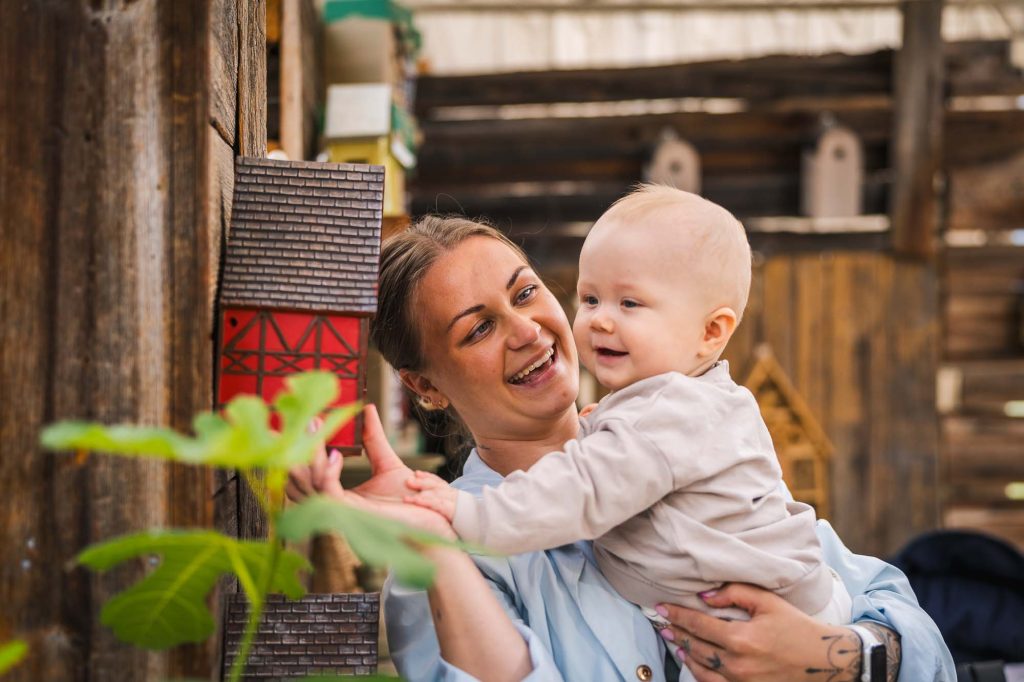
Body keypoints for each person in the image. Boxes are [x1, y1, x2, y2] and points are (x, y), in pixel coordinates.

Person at [288, 214, 955, 681]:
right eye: (478, 329)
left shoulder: (685, 435)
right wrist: (438, 543)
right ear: (424, 385)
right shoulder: (447, 563)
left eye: (525, 292)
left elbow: (912, 627)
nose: (526, 330)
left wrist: (832, 656)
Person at [404, 186, 850, 628]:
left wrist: (472, 517)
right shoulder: (676, 412)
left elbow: (580, 491)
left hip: (772, 622)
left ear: (712, 333)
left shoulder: (671, 416)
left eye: (524, 294)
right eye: (591, 299)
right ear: (423, 384)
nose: (599, 318)